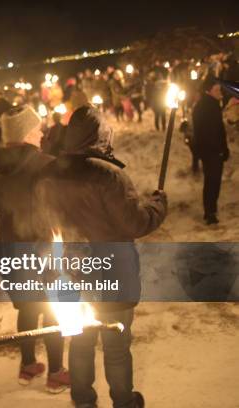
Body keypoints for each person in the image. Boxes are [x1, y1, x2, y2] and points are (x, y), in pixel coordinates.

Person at [34, 105, 167, 408]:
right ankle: (123, 401)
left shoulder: (47, 174)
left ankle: (83, 400)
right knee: (116, 346)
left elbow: (41, 228)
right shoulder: (108, 175)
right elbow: (136, 222)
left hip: (69, 275)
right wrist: (158, 205)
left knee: (80, 343)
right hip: (112, 275)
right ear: (101, 136)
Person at [0, 105, 70, 393]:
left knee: (26, 307)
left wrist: (2, 214)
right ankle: (56, 372)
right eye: (38, 129)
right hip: (43, 249)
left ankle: (27, 366)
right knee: (51, 311)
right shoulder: (47, 165)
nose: (43, 133)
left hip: (9, 251)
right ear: (26, 134)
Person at [192, 77, 230, 225]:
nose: (220, 92)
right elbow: (209, 132)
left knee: (212, 181)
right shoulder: (207, 106)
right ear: (208, 91)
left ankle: (210, 210)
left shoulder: (209, 104)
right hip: (211, 151)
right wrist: (219, 149)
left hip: (212, 150)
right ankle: (210, 213)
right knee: (212, 181)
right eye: (217, 90)